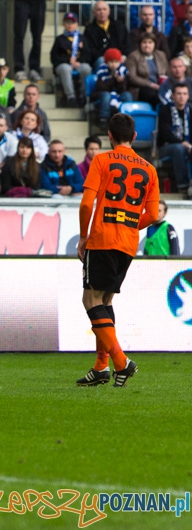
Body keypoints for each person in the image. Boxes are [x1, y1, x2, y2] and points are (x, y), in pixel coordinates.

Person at [76, 113, 159, 387]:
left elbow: (86, 204)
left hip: (102, 238)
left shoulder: (102, 160)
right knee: (106, 300)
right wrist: (131, 224)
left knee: (91, 300)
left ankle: (121, 362)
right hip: (127, 243)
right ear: (134, 137)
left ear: (109, 136)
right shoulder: (150, 169)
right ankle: (101, 366)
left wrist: (83, 236)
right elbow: (152, 214)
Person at [50, 12, 92, 108]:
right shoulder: (59, 39)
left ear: (77, 24)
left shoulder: (82, 38)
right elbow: (54, 57)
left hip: (78, 64)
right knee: (65, 69)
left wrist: (79, 62)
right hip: (63, 64)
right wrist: (68, 61)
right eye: (67, 22)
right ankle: (70, 96)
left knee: (86, 68)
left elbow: (87, 54)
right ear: (63, 24)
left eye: (72, 22)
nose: (70, 25)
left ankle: (83, 95)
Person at [157, 83, 192, 197]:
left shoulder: (190, 110)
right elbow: (165, 134)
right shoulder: (165, 110)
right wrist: (183, 143)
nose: (182, 97)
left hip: (187, 145)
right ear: (173, 96)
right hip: (166, 146)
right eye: (179, 94)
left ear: (188, 96)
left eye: (184, 94)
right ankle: (183, 186)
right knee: (179, 148)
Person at [91, 48, 132, 127]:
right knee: (106, 95)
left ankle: (125, 118)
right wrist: (112, 79)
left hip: (117, 95)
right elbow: (102, 87)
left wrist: (121, 82)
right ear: (107, 62)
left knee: (127, 95)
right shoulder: (101, 72)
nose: (113, 64)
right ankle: (103, 118)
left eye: (116, 62)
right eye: (111, 61)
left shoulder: (122, 71)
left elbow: (123, 90)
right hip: (102, 95)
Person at [125, 32, 168, 107]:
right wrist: (151, 85)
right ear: (140, 44)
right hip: (141, 89)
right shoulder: (133, 56)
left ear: (154, 44)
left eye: (150, 42)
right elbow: (132, 77)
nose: (147, 45)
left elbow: (167, 72)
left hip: (160, 87)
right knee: (155, 96)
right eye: (144, 42)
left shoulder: (161, 55)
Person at [85, 1, 131, 69]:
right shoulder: (89, 30)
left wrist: (122, 56)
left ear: (109, 11)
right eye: (98, 10)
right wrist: (108, 58)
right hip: (101, 59)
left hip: (119, 58)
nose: (102, 12)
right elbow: (90, 51)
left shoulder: (119, 26)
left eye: (104, 9)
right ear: (93, 13)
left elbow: (127, 44)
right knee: (101, 61)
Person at [13, 0, 46, 82]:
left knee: (37, 37)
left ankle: (34, 69)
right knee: (19, 36)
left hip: (39, 2)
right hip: (22, 0)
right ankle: (19, 69)